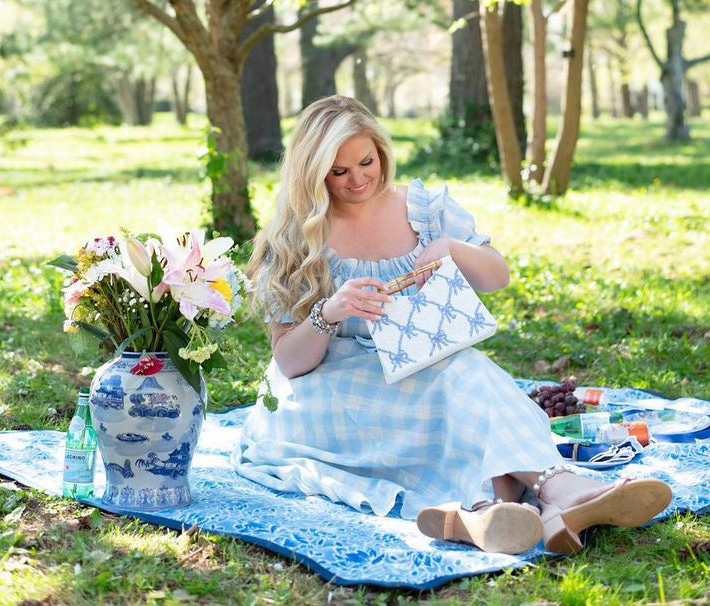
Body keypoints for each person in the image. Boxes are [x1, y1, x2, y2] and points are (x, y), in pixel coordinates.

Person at [234, 95, 671, 555]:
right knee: (448, 398)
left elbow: (497, 276)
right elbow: (290, 361)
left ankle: (491, 513)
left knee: (470, 377)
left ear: (381, 151)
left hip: (425, 363)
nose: (358, 179)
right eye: (339, 172)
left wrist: (451, 248)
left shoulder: (423, 208)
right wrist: (330, 312)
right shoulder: (294, 239)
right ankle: (554, 496)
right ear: (313, 173)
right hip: (335, 387)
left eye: (367, 162)